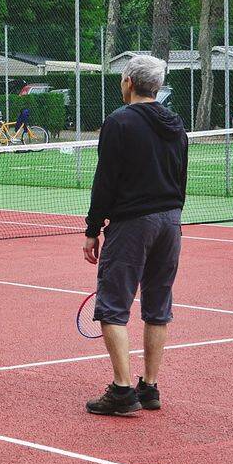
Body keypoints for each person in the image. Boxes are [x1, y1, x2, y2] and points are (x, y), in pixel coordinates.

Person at [83, 54, 187, 416]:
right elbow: (180, 176)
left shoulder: (119, 122)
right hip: (171, 222)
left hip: (133, 223)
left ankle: (123, 391)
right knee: (158, 306)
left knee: (112, 306)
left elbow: (105, 181)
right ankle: (150, 386)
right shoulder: (175, 122)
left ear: (129, 81)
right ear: (155, 86)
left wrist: (92, 230)